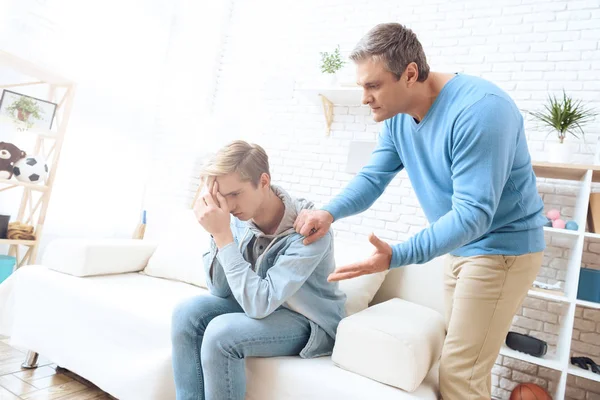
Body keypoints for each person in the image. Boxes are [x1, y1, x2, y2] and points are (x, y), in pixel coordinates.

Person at [293, 23, 547, 400]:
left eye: (373, 85)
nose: (364, 98)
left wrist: (398, 256)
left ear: (410, 74)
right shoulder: (397, 118)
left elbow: (473, 214)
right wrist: (329, 213)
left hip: (502, 250)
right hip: (461, 248)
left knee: (460, 373)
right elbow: (373, 177)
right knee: (471, 365)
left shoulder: (480, 110)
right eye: (361, 86)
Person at [171, 140, 346, 400]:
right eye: (221, 197)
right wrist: (218, 232)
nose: (228, 205)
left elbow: (259, 303)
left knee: (222, 334)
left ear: (264, 181)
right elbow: (220, 289)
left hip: (306, 319)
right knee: (187, 314)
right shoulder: (238, 216)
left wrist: (223, 236)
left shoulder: (310, 228)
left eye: (234, 194)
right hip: (264, 306)